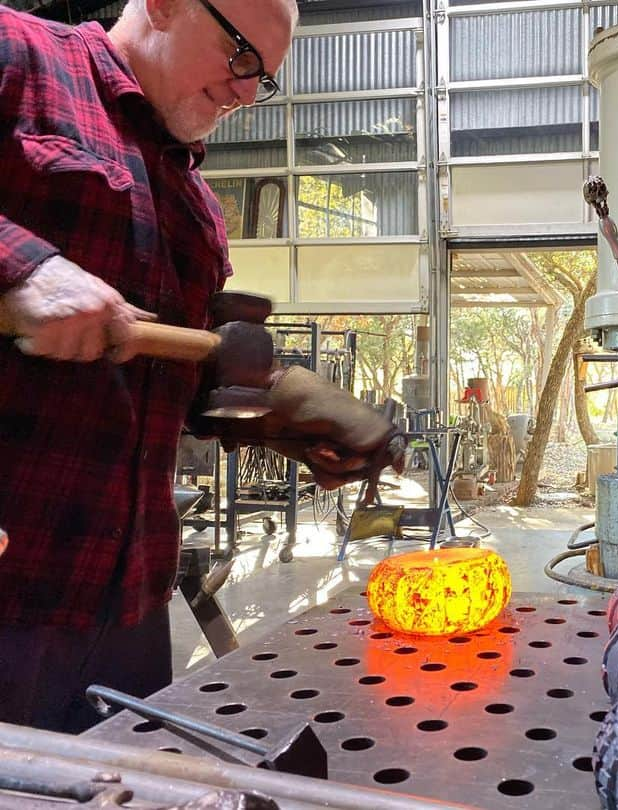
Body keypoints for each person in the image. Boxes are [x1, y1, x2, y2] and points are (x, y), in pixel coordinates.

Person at [0, 0, 397, 733]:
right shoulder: (18, 55)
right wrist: (21, 270)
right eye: (240, 54)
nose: (247, 91)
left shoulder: (197, 205)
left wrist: (286, 415)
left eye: (264, 79)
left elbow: (180, 385)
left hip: (127, 607)